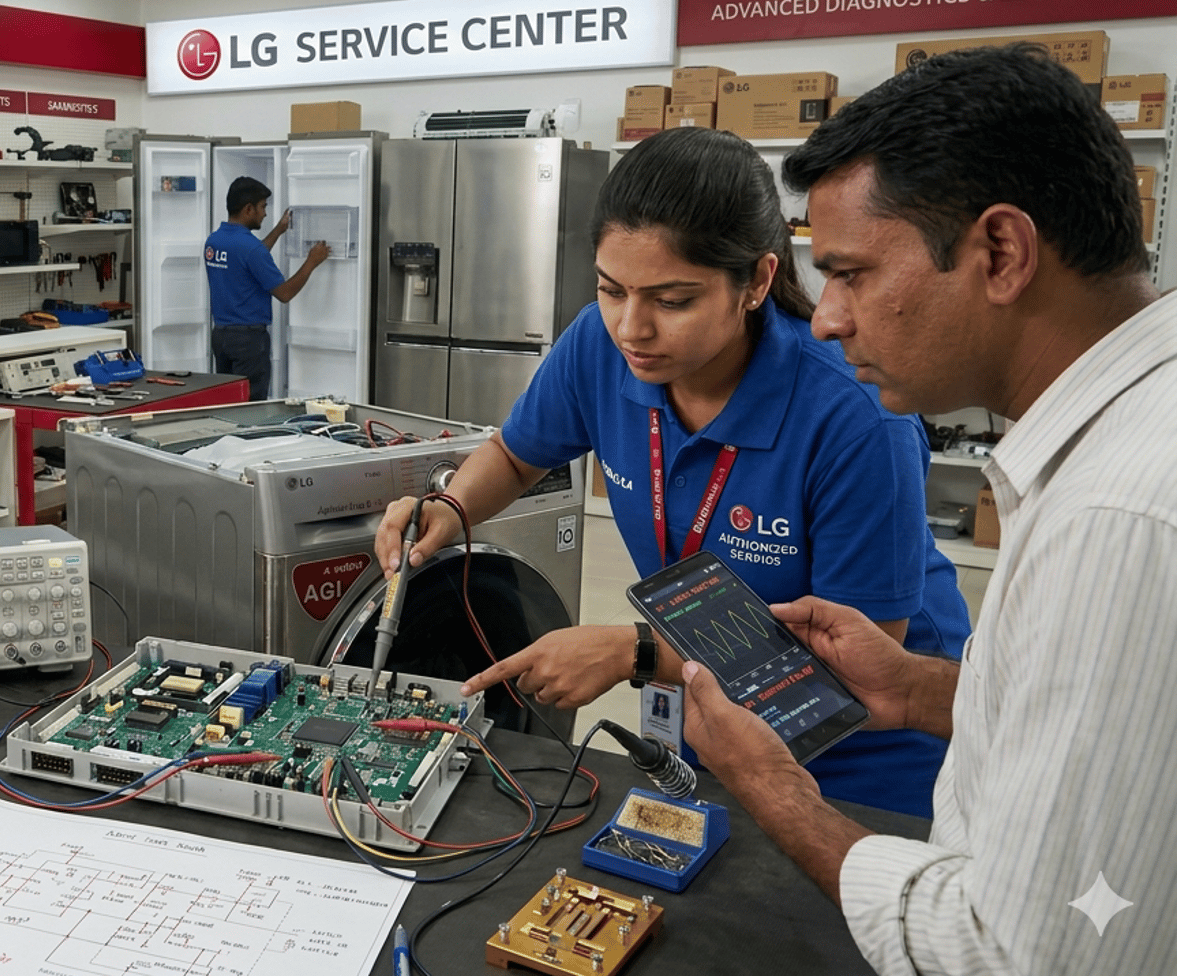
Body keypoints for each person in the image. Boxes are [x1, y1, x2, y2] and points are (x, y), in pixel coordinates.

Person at [679, 44, 1176, 976]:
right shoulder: (1131, 438)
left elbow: (1019, 958)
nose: (825, 317)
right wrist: (919, 690)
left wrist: (779, 795)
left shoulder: (1117, 517)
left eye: (853, 272)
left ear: (1001, 252)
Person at [376, 126, 969, 817]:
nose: (632, 327)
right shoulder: (600, 346)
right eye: (611, 289)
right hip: (709, 714)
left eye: (673, 299)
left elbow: (849, 661)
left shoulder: (856, 419)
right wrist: (450, 507)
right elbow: (515, 454)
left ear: (756, 281)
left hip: (863, 759)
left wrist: (632, 651)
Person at [204, 177, 330, 400]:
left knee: (228, 400)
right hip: (248, 341)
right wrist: (312, 262)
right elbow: (284, 293)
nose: (264, 213)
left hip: (221, 336)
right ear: (248, 209)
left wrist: (279, 230)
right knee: (251, 405)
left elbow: (249, 259)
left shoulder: (215, 241)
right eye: (262, 207)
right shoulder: (250, 247)